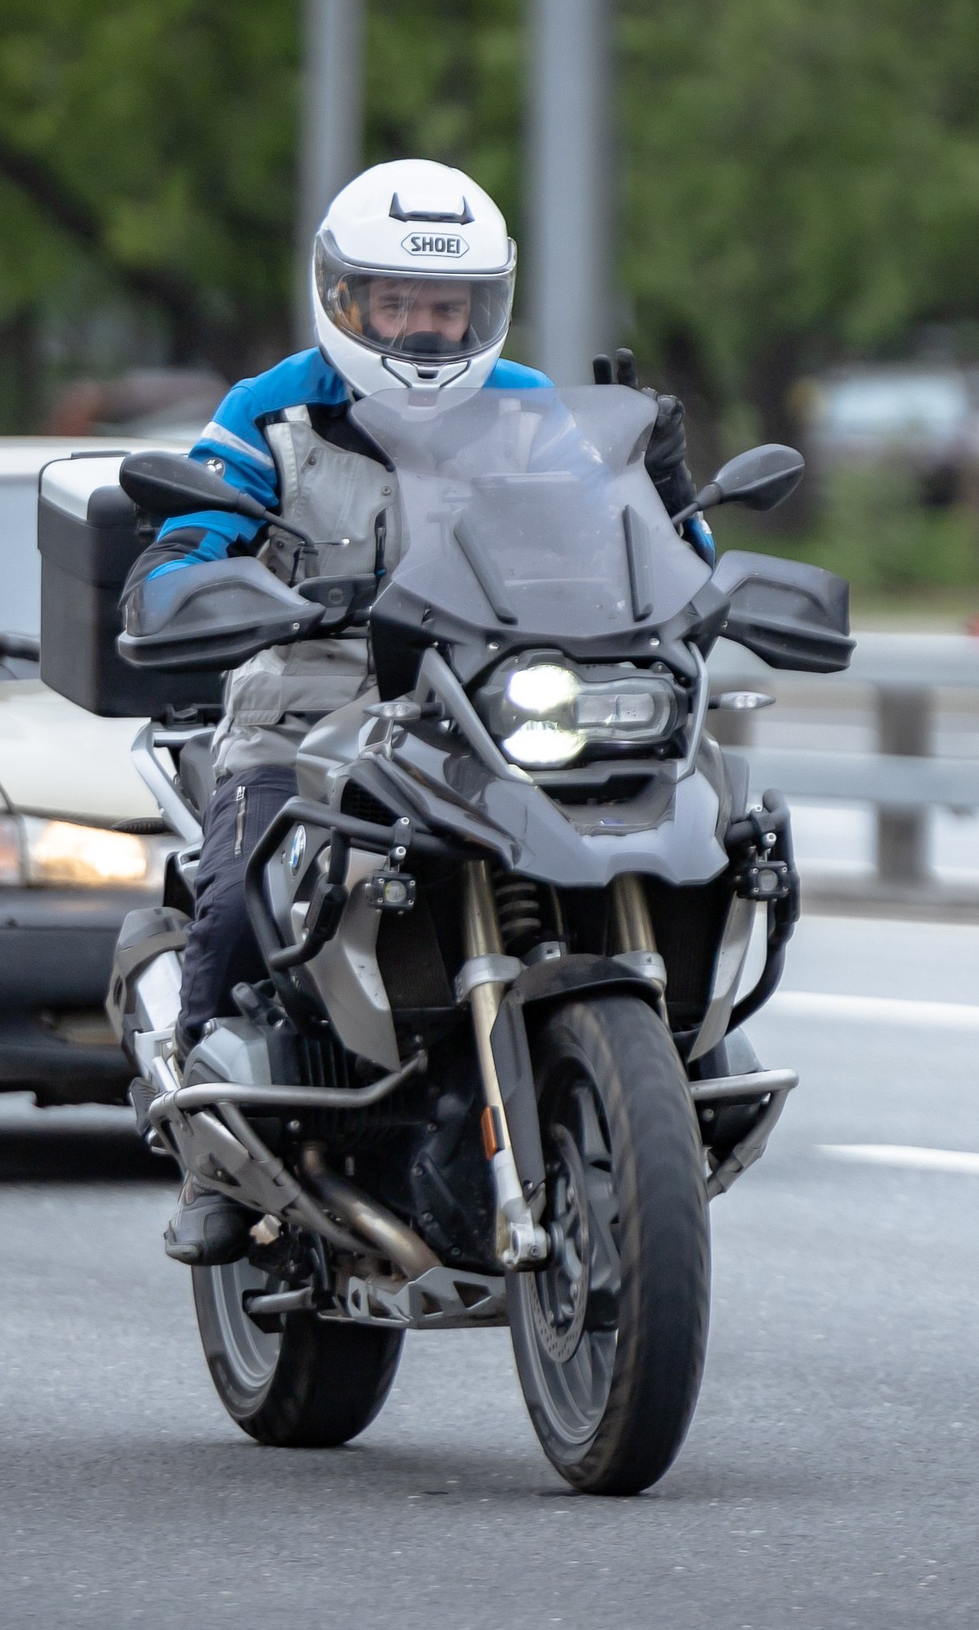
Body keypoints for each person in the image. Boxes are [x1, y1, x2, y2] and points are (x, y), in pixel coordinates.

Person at [123, 158, 707, 1264]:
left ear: (487, 305)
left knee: (690, 828)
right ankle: (210, 1145)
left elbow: (656, 560)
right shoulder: (275, 408)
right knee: (252, 880)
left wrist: (669, 496)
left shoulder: (532, 410)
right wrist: (205, 586)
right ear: (346, 299)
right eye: (400, 303)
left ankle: (658, 1071)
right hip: (314, 691)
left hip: (489, 688)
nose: (428, 329)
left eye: (449, 307)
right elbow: (175, 557)